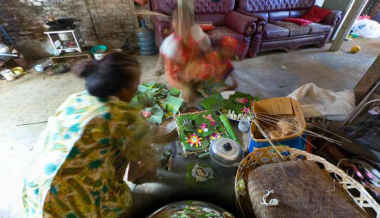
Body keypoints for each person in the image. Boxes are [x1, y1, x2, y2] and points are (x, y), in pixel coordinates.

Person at [22, 52, 158, 218]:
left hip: (37, 189)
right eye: (136, 83)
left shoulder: (75, 99)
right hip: (72, 203)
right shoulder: (124, 115)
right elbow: (144, 164)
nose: (138, 87)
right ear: (125, 88)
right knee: (122, 203)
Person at [154, 2, 238, 102]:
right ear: (173, 23)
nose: (183, 26)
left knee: (210, 64)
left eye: (186, 23)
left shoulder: (195, 32)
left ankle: (195, 85)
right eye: (179, 22)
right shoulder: (171, 46)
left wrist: (216, 66)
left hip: (190, 66)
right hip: (178, 73)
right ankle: (188, 87)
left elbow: (208, 51)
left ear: (191, 24)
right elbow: (169, 75)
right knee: (185, 91)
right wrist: (185, 88)